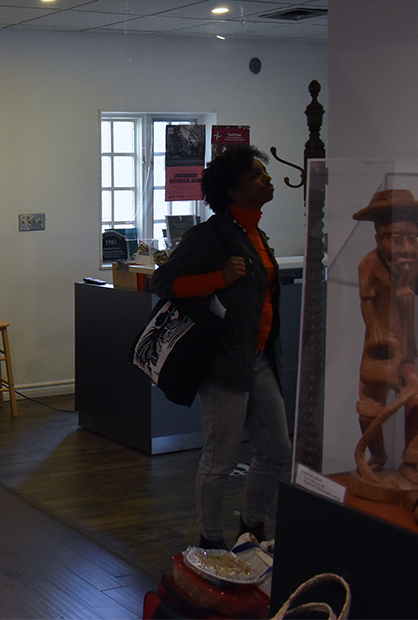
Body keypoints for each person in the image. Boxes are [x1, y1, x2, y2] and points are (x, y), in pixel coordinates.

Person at [151, 145, 291, 550]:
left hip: (260, 359)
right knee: (221, 458)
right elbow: (165, 283)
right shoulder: (211, 235)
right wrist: (218, 276)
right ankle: (210, 542)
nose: (267, 180)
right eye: (256, 174)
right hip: (225, 363)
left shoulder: (256, 234)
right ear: (233, 190)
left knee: (276, 449)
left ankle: (252, 528)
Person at [351, 189, 418, 495]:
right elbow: (367, 302)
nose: (407, 248)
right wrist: (375, 331)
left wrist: (415, 291)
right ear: (378, 238)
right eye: (396, 239)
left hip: (407, 353)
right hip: (379, 349)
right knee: (369, 408)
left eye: (412, 237)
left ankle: (410, 465)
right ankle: (377, 454)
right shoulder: (369, 264)